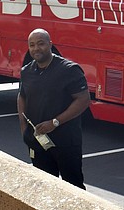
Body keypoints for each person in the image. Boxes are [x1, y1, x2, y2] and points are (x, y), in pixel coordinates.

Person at [17, 28, 91, 189]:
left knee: (73, 187)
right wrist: (24, 129)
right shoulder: (27, 71)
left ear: (50, 44)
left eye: (41, 44)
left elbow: (84, 99)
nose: (36, 49)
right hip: (38, 142)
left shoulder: (69, 70)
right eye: (32, 45)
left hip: (66, 142)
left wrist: (55, 122)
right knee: (44, 186)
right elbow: (22, 96)